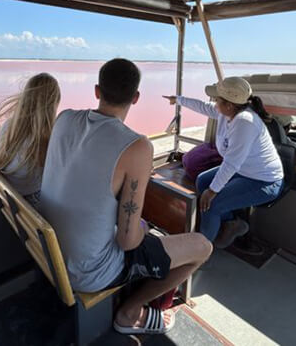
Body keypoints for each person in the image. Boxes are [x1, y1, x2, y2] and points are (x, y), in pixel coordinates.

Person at [39, 59, 212, 335]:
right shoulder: (137, 146)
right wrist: (143, 230)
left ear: (97, 91)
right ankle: (130, 313)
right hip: (89, 272)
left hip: (50, 250)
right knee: (202, 247)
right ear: (136, 97)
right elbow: (128, 242)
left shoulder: (65, 118)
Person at [163, 76, 284, 249]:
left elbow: (231, 164)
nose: (214, 102)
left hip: (264, 181)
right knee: (202, 180)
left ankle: (200, 251)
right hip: (244, 171)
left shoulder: (245, 123)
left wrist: (212, 192)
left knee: (212, 204)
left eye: (218, 99)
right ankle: (231, 223)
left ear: (229, 105)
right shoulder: (227, 112)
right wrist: (178, 100)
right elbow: (203, 106)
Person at [0, 73, 60, 204]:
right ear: (53, 103)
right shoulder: (48, 136)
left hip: (12, 201)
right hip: (32, 203)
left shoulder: (9, 126)